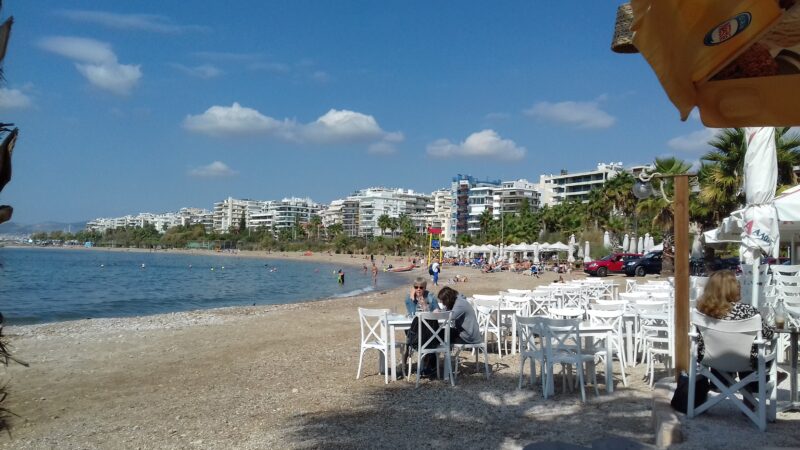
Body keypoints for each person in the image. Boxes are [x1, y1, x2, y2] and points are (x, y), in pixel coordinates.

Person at [695, 270, 785, 404]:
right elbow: (768, 334)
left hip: (713, 361)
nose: (739, 286)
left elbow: (698, 339)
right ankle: (753, 391)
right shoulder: (748, 311)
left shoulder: (702, 313)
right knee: (751, 351)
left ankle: (721, 383)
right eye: (737, 284)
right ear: (730, 289)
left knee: (733, 349)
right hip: (746, 363)